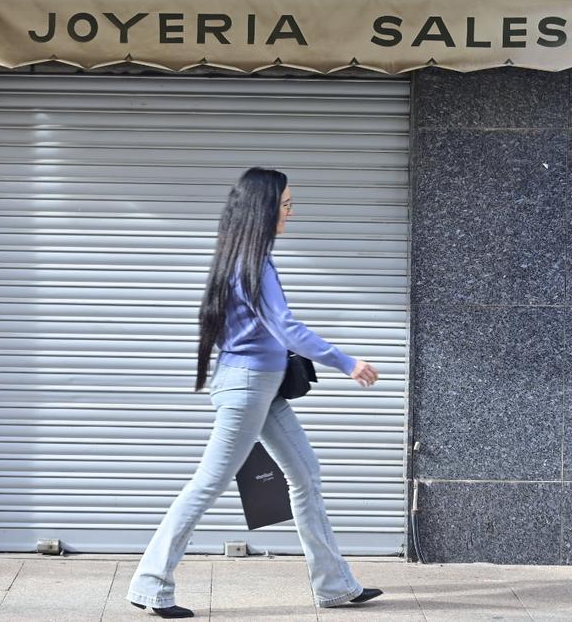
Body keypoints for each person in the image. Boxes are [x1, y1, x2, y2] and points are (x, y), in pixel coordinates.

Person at [126, 167, 383, 618]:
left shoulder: (243, 258)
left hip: (260, 386)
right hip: (247, 388)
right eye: (285, 204)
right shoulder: (253, 263)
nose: (291, 212)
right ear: (264, 209)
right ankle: (151, 583)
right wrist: (346, 362)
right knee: (208, 484)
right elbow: (285, 326)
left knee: (306, 476)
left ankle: (335, 585)